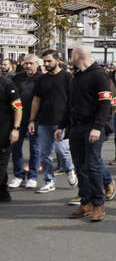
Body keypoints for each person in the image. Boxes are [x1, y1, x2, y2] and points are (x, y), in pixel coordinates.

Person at [57, 46, 114, 222]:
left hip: (92, 128)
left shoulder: (99, 75)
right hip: (76, 128)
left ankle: (99, 204)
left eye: (71, 55)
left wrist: (98, 126)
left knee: (93, 166)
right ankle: (86, 202)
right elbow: (70, 105)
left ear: (76, 56)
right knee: (80, 166)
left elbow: (106, 104)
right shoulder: (76, 77)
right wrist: (62, 125)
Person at [28, 50, 77, 192]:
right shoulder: (42, 79)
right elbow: (36, 100)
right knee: (44, 153)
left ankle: (69, 169)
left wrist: (70, 119)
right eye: (45, 61)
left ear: (58, 60)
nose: (46, 64)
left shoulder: (68, 77)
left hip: (61, 122)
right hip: (44, 122)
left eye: (49, 61)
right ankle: (49, 180)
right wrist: (32, 120)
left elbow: (73, 100)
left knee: (62, 151)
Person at [9, 55, 41, 190]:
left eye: (31, 63)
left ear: (37, 65)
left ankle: (33, 176)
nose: (28, 66)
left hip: (36, 120)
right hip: (18, 119)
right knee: (16, 147)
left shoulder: (42, 78)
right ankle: (18, 175)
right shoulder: (17, 78)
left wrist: (34, 120)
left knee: (35, 149)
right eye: (26, 63)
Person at [0, 73, 22, 202]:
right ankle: (3, 193)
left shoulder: (7, 84)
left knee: (1, 162)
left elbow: (18, 108)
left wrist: (16, 128)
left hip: (4, 131)